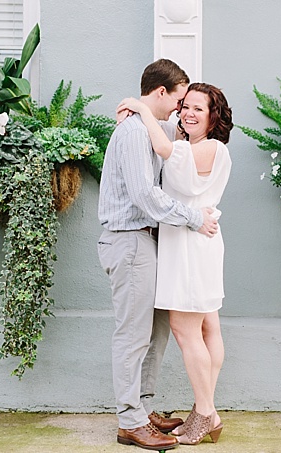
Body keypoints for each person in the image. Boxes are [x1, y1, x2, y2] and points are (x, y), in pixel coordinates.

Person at [97, 59, 219, 451]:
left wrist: (136, 101)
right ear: (164, 92)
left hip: (150, 243)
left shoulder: (153, 125)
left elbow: (176, 135)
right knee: (133, 335)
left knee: (156, 332)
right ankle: (130, 421)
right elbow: (145, 197)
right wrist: (192, 219)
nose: (183, 110)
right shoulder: (133, 133)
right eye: (181, 99)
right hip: (130, 240)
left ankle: (143, 408)